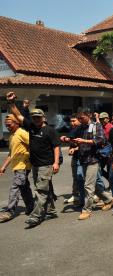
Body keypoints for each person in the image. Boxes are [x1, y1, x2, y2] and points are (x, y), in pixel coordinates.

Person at [6, 92, 60, 228]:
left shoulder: (49, 130)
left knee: (40, 191)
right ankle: (52, 210)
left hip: (46, 165)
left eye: (38, 117)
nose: (35, 119)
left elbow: (56, 147)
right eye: (34, 117)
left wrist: (56, 162)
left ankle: (35, 216)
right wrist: (12, 102)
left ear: (43, 117)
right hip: (35, 165)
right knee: (43, 188)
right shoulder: (31, 127)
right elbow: (18, 115)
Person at [64, 109, 113, 220]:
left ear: (89, 116)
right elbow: (73, 138)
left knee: (88, 185)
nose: (80, 120)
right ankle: (109, 199)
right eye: (79, 118)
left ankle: (86, 210)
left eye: (82, 118)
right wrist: (67, 139)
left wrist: (84, 141)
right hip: (82, 159)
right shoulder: (81, 127)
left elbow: (100, 140)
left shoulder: (95, 125)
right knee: (93, 184)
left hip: (93, 159)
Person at [0, 114, 34, 222]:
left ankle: (9, 212)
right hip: (17, 166)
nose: (8, 127)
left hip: (23, 166)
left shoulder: (22, 133)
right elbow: (11, 154)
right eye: (6, 125)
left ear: (17, 123)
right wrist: (3, 167)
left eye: (9, 125)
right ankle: (31, 207)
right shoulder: (12, 136)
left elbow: (34, 144)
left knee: (15, 188)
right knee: (24, 187)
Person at [61, 114, 84, 205]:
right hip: (75, 157)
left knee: (82, 177)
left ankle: (93, 195)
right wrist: (71, 147)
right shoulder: (73, 129)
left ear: (79, 120)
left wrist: (75, 148)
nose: (72, 123)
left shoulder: (83, 129)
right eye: (71, 121)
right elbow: (72, 141)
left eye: (74, 121)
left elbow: (85, 143)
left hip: (84, 157)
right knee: (75, 177)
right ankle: (75, 195)